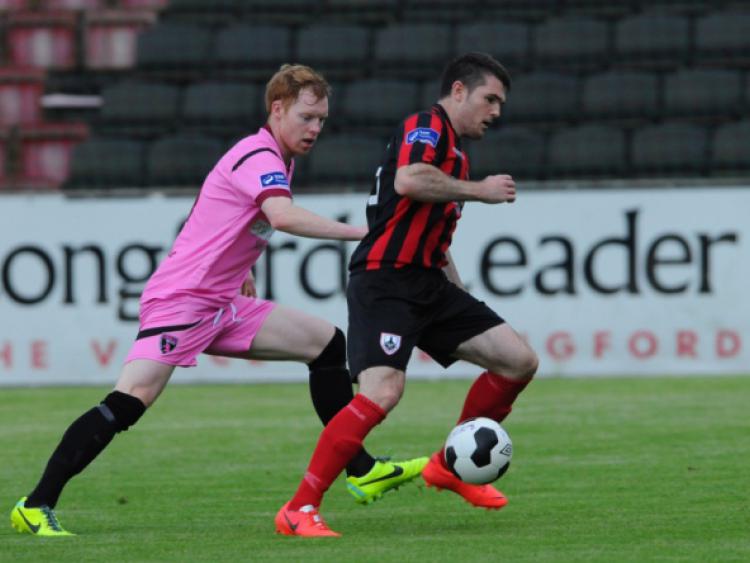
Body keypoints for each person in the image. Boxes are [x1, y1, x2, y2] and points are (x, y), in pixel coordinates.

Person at [10, 64, 426, 538]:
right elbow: (282, 216)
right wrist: (365, 233)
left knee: (327, 344)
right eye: (307, 117)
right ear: (278, 108)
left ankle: (360, 468)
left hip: (222, 303)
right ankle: (36, 503)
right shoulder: (259, 154)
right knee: (130, 401)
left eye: (322, 120)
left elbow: (215, 209)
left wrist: (241, 264)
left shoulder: (276, 158)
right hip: (183, 302)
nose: (315, 129)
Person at [275, 52, 539, 538]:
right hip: (386, 280)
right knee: (383, 392)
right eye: (490, 99)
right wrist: (480, 190)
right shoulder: (427, 126)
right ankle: (299, 507)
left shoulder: (456, 155)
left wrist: (463, 302)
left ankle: (447, 467)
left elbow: (434, 236)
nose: (496, 111)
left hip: (429, 283)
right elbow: (409, 179)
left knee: (517, 360)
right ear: (458, 91)